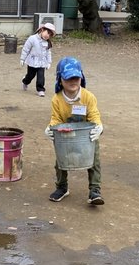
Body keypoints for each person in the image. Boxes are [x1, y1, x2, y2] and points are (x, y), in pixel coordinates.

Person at [44, 57, 104, 205]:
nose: (73, 81)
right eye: (68, 78)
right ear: (60, 79)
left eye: (76, 77)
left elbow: (94, 114)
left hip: (88, 136)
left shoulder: (88, 97)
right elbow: (56, 117)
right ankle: (62, 187)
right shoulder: (57, 99)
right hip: (66, 135)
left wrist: (98, 127)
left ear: (81, 77)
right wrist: (50, 127)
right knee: (60, 162)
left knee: (94, 162)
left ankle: (95, 191)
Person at [20, 22, 55, 97]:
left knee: (41, 76)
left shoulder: (47, 43)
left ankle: (40, 89)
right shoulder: (32, 38)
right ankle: (25, 81)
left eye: (50, 35)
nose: (47, 35)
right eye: (47, 33)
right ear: (42, 30)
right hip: (32, 61)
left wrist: (49, 62)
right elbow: (26, 49)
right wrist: (22, 59)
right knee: (30, 75)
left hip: (42, 62)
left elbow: (48, 53)